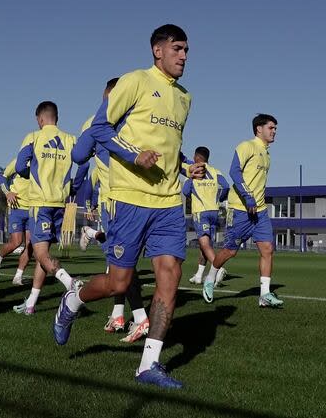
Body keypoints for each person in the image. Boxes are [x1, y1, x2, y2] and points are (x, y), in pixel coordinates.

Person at [53, 24, 205, 389]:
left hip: (168, 201)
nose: (184, 56)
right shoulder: (134, 82)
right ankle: (73, 299)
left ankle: (148, 365)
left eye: (187, 50)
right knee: (118, 282)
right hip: (130, 199)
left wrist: (186, 166)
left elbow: (170, 145)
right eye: (178, 49)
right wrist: (135, 156)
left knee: (170, 275)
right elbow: (100, 129)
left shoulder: (185, 97)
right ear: (158, 50)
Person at [73, 77, 150, 343]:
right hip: (130, 200)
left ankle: (140, 318)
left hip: (116, 202)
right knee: (117, 263)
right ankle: (119, 314)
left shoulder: (97, 121)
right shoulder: (134, 120)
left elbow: (79, 156)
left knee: (122, 265)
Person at [202, 114, 281, 307]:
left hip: (260, 211)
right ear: (258, 129)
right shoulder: (247, 146)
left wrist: (256, 201)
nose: (274, 131)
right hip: (240, 209)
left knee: (267, 249)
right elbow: (234, 171)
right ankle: (210, 278)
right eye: (271, 128)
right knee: (229, 251)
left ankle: (264, 294)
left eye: (275, 128)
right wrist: (248, 196)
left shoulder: (267, 154)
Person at [12, 101, 78, 314]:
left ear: (40, 119)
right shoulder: (70, 139)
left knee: (40, 254)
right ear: (56, 117)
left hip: (40, 203)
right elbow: (84, 162)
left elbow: (20, 166)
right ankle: (31, 304)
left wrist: (28, 176)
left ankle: (71, 284)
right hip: (60, 204)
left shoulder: (33, 137)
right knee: (44, 253)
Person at [183, 146, 230, 284]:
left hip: (201, 211)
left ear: (197, 158)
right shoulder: (216, 171)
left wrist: (193, 194)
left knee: (204, 243)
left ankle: (219, 268)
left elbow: (185, 191)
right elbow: (226, 186)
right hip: (214, 212)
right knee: (206, 245)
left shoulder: (195, 172)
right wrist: (220, 198)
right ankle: (199, 275)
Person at [0, 157, 32, 286]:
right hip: (16, 208)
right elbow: (2, 177)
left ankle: (18, 276)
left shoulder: (41, 163)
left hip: (33, 209)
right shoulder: (18, 161)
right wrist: (7, 192)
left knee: (29, 245)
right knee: (16, 242)